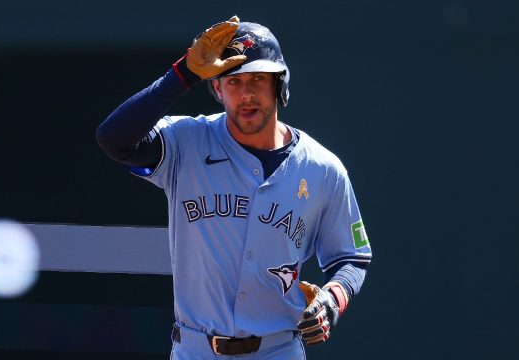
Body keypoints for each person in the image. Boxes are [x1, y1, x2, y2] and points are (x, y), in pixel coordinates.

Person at [96, 16, 372, 359]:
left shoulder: (321, 168)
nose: (246, 94)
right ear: (216, 89)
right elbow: (113, 139)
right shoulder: (187, 142)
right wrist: (182, 74)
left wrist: (333, 297)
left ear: (279, 83)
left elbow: (350, 257)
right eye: (233, 81)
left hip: (277, 350)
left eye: (258, 78)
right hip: (196, 350)